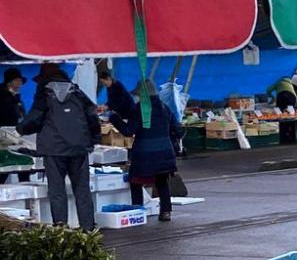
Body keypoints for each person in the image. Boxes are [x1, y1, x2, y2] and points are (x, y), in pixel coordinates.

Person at [20, 61, 99, 229]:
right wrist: (92, 140)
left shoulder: (45, 93)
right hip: (79, 148)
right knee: (82, 190)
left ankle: (61, 229)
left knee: (57, 191)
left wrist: (20, 129)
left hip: (54, 149)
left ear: (44, 78)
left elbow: (34, 119)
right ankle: (88, 229)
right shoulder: (77, 92)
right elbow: (93, 115)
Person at [112, 74, 183, 221]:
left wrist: (114, 119)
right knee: (162, 181)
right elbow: (177, 129)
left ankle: (138, 211)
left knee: (135, 181)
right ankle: (165, 212)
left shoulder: (139, 110)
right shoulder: (165, 108)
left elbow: (128, 131)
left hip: (144, 154)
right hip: (165, 153)